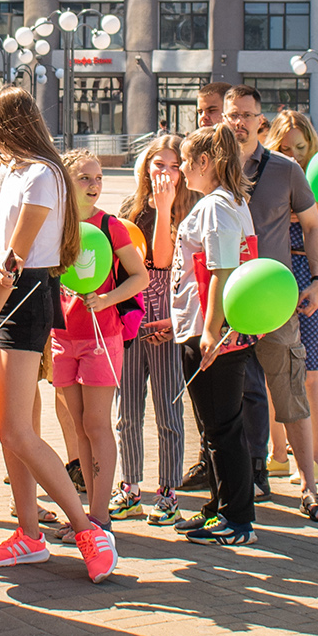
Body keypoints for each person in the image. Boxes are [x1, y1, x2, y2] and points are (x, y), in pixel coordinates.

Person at [0, 87, 116, 581]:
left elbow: (12, 259)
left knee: (17, 430)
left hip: (23, 299)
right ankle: (28, 535)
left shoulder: (44, 175)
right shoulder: (17, 173)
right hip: (5, 294)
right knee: (11, 429)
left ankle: (87, 529)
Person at [217, 87, 318, 504]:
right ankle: (247, 477)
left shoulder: (284, 169)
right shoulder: (211, 167)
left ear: (261, 121)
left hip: (275, 300)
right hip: (225, 301)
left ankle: (309, 486)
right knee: (232, 395)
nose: (239, 122)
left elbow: (314, 226)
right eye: (232, 114)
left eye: (247, 114)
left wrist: (317, 279)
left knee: (289, 393)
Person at [169, 124, 262, 544]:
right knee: (213, 427)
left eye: (187, 161)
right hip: (212, 329)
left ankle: (237, 520)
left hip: (215, 335)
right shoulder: (228, 202)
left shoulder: (217, 207)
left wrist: (210, 332)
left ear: (206, 162)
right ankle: (218, 507)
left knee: (223, 427)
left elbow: (222, 269)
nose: (183, 170)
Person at [50, 151, 147, 532]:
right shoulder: (54, 224)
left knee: (96, 423)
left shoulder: (110, 225)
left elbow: (139, 276)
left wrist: (107, 299)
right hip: (62, 337)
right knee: (77, 427)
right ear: (67, 182)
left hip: (101, 337)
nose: (94, 185)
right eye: (84, 178)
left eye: (99, 178)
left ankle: (100, 516)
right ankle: (89, 515)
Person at [264, 111, 318, 521]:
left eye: (300, 148)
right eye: (285, 149)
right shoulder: (270, 179)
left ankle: (316, 459)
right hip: (274, 277)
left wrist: (304, 213)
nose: (293, 156)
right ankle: (278, 452)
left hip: (310, 276)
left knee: (313, 371)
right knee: (273, 371)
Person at [115, 135, 192, 525]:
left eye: (173, 165)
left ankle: (169, 491)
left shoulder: (186, 209)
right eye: (158, 165)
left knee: (168, 410)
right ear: (145, 167)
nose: (164, 172)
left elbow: (160, 264)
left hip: (166, 316)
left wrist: (164, 209)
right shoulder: (130, 208)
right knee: (126, 409)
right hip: (131, 316)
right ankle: (130, 487)